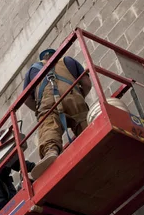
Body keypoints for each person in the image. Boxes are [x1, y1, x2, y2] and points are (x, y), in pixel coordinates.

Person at [23, 49, 92, 179]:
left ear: (42, 59)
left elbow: (26, 99)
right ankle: (91, 137)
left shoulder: (32, 70)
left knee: (49, 124)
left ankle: (51, 151)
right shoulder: (68, 60)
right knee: (83, 120)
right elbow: (87, 83)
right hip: (71, 93)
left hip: (48, 101)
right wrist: (79, 96)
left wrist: (39, 110)